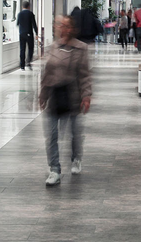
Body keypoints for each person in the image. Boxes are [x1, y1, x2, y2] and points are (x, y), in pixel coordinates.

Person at [39, 15, 92, 186]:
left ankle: (76, 157)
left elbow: (84, 75)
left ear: (73, 29)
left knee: (74, 134)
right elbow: (47, 74)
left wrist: (86, 95)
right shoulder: (53, 47)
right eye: (60, 25)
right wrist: (43, 96)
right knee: (52, 135)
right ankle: (54, 169)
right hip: (55, 95)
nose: (63, 28)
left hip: (72, 95)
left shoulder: (81, 49)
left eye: (66, 25)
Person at [17, 1, 37, 70]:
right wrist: (37, 33)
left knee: (22, 49)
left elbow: (17, 23)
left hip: (21, 34)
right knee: (30, 48)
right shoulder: (30, 14)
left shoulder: (19, 14)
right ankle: (28, 62)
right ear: (29, 7)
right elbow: (34, 24)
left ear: (22, 6)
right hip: (29, 34)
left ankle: (22, 65)